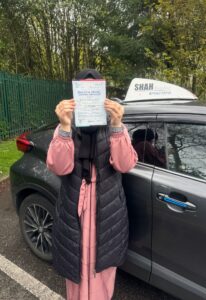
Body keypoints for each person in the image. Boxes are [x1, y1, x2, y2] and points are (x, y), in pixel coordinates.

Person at [46, 69, 138, 300]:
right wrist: (65, 127)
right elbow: (60, 167)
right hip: (74, 207)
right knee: (75, 266)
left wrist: (117, 124)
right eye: (83, 90)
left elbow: (125, 165)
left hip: (107, 208)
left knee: (103, 269)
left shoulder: (114, 126)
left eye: (94, 89)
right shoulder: (66, 126)